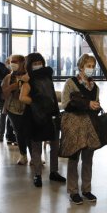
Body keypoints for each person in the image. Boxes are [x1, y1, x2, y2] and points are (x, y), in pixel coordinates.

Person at [19, 52, 66, 187]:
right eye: (35, 64)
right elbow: (22, 97)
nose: (38, 65)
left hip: (51, 115)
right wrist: (36, 101)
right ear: (29, 65)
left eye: (40, 63)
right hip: (35, 116)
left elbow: (51, 93)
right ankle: (37, 174)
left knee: (55, 145)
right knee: (36, 147)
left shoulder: (47, 76)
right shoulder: (27, 80)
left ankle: (54, 172)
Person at [60, 53, 101, 205]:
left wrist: (96, 106)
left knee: (88, 158)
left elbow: (95, 104)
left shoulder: (94, 86)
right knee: (73, 157)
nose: (91, 69)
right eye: (88, 66)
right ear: (81, 67)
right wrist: (87, 104)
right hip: (73, 124)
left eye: (92, 66)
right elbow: (66, 104)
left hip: (89, 125)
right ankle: (73, 190)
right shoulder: (71, 83)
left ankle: (86, 189)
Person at [2, 54, 30, 165]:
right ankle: (23, 155)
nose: (12, 64)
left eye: (16, 61)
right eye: (11, 61)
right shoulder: (8, 77)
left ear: (23, 62)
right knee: (19, 132)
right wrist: (13, 86)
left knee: (30, 132)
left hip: (28, 107)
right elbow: (3, 94)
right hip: (13, 108)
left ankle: (35, 156)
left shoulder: (29, 76)